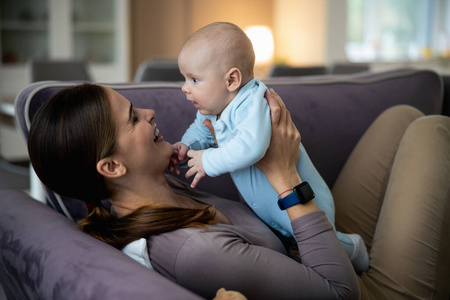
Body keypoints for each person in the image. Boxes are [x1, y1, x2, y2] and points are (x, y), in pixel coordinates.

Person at [27, 83, 360, 300]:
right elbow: (342, 293)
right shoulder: (194, 251)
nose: (149, 113)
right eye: (132, 119)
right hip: (350, 277)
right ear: (112, 168)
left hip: (325, 240)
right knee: (414, 131)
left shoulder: (152, 187)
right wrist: (284, 175)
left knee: (400, 119)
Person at [172, 22, 369, 273]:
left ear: (232, 79)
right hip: (273, 211)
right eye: (185, 79)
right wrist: (186, 145)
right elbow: (201, 129)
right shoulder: (214, 108)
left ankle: (354, 249)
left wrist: (207, 161)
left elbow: (251, 147)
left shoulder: (252, 103)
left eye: (194, 79)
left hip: (307, 201)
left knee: (316, 241)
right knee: (297, 247)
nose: (185, 88)